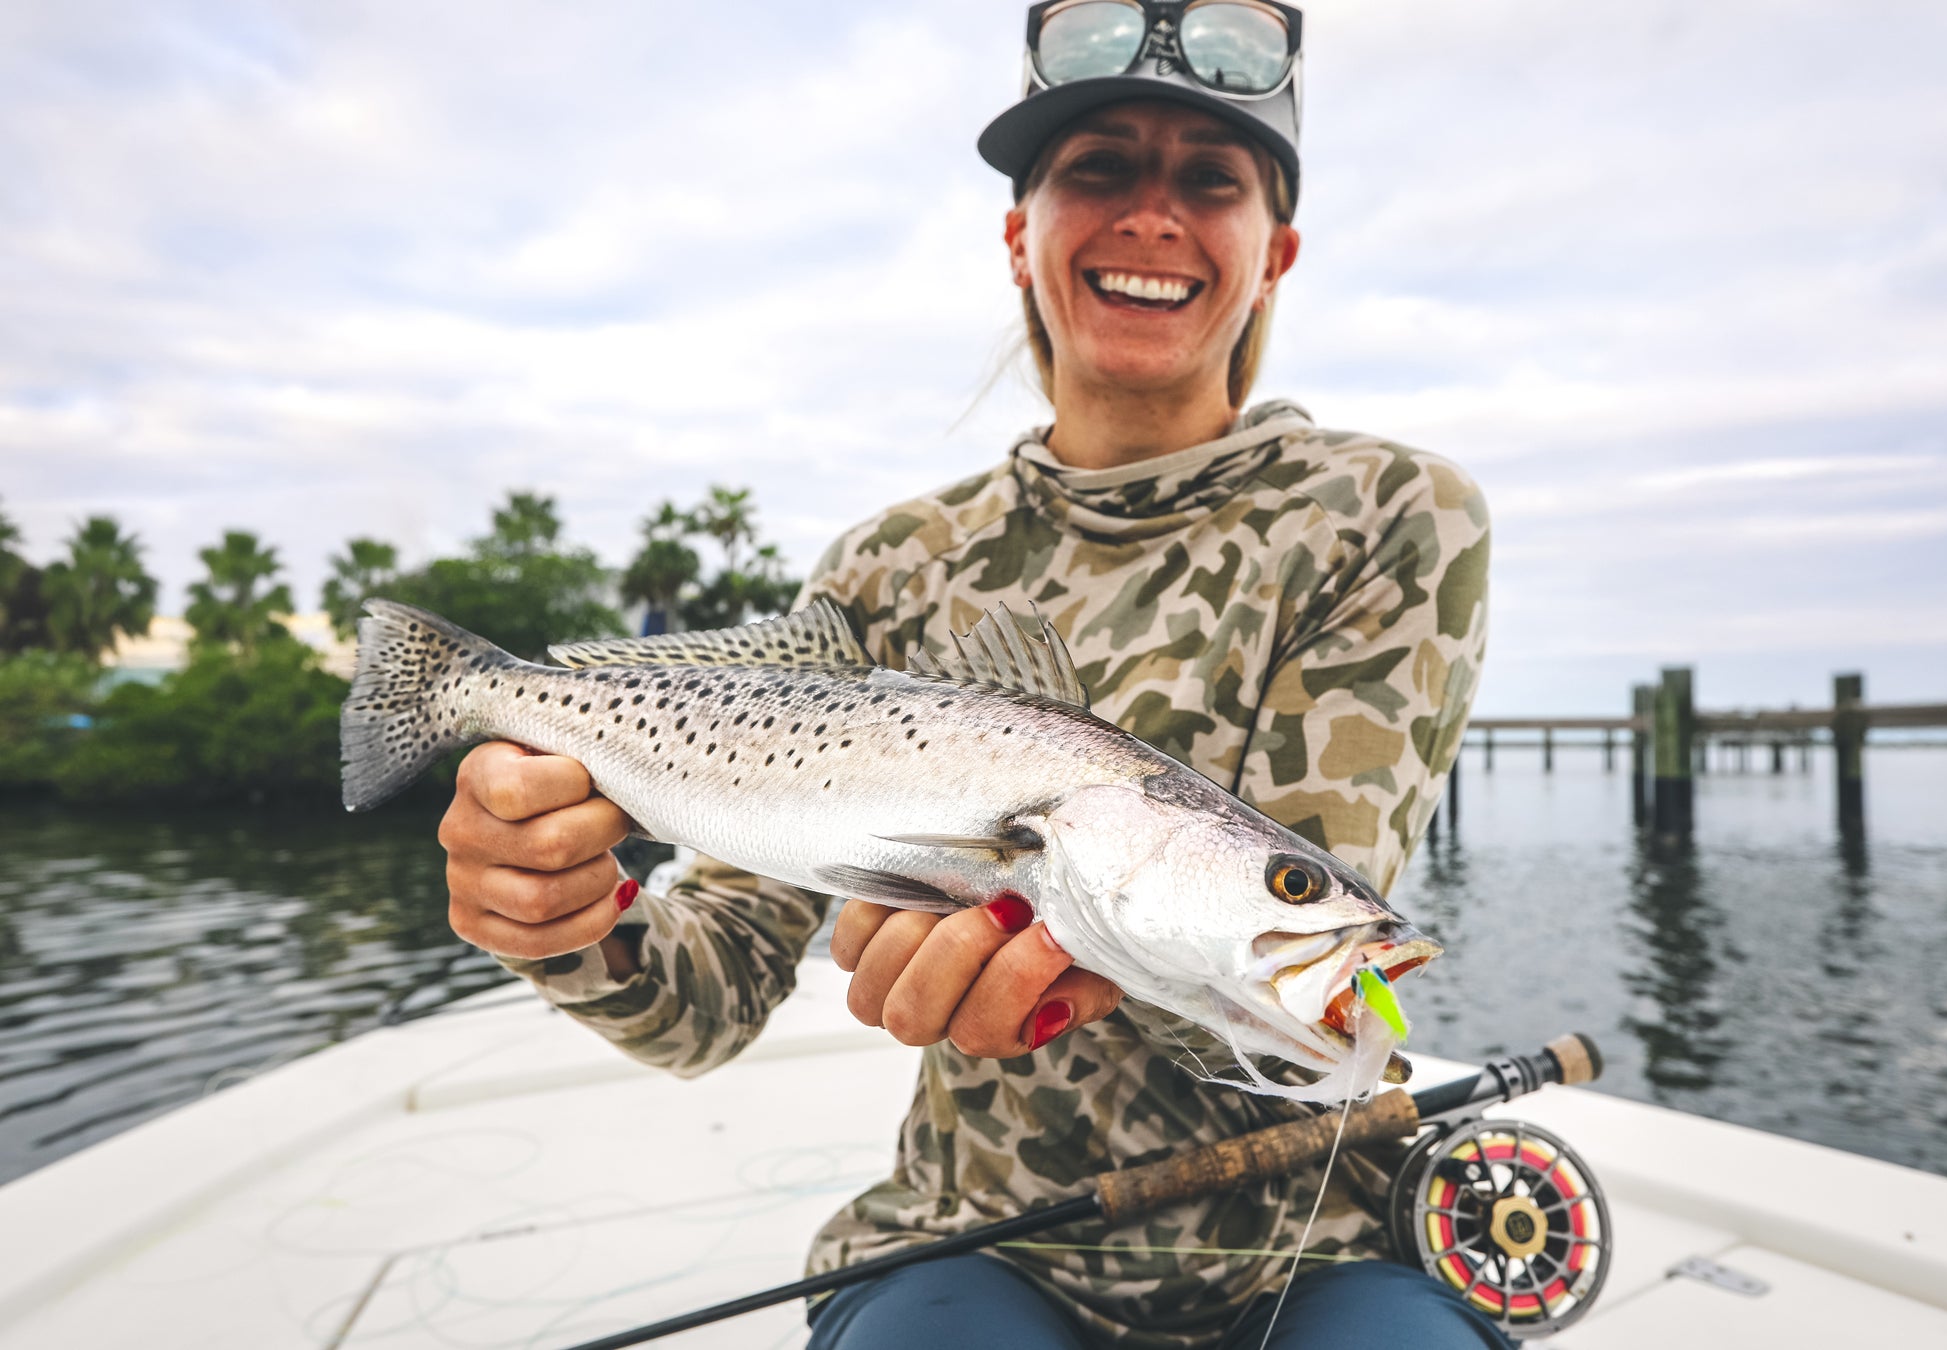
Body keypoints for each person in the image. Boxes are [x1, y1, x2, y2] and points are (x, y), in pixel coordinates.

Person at [436, 4, 1496, 1346]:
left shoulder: (1392, 514)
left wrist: (1105, 917)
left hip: (1321, 1224)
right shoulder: (890, 565)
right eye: (1100, 166)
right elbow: (706, 1000)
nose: (1154, 217)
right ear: (1020, 234)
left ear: (1274, 251)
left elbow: (1314, 1017)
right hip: (973, 1240)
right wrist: (568, 921)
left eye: (1211, 180)